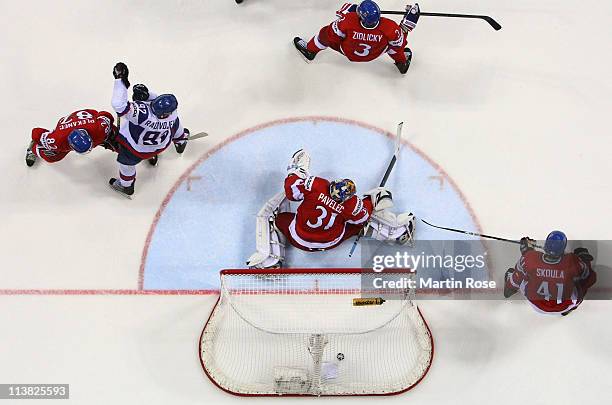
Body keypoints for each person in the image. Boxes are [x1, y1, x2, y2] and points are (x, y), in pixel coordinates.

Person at [246, 149, 416, 268]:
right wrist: (375, 198)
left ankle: (270, 260)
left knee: (276, 218)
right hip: (331, 241)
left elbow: (292, 192)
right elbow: (363, 216)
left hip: (298, 237)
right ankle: (397, 233)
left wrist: (296, 172)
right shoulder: (351, 204)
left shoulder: (317, 185)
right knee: (362, 224)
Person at [109, 62, 190, 196]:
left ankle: (126, 186)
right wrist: (147, 96)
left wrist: (120, 81)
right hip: (160, 145)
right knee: (175, 128)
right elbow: (175, 125)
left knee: (126, 164)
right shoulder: (172, 115)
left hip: (135, 149)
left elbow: (119, 106)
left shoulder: (144, 115)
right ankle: (181, 142)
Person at [293, 1, 420, 74]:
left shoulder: (349, 20)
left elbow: (332, 35)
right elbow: (400, 43)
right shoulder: (389, 26)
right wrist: (407, 23)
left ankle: (310, 50)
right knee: (394, 46)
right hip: (374, 53)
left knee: (325, 34)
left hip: (348, 51)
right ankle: (402, 63)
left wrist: (348, 11)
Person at [504, 231, 597, 315]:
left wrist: (526, 250)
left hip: (537, 305)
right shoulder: (572, 262)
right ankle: (572, 307)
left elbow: (517, 278)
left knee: (520, 274)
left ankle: (510, 290)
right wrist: (584, 260)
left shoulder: (529, 258)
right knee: (581, 283)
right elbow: (590, 278)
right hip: (564, 306)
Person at [26, 109, 117, 167]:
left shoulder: (100, 128)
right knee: (53, 157)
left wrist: (110, 129)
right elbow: (36, 132)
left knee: (115, 137)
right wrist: (40, 139)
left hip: (90, 119)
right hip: (65, 128)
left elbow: (105, 115)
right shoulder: (57, 140)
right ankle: (33, 149)